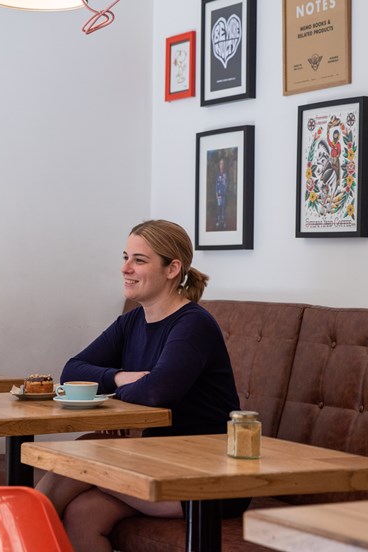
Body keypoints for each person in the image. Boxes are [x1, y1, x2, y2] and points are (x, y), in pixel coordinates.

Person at [37, 219, 247, 552]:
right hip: (156, 460)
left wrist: (117, 389)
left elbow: (155, 392)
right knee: (83, 514)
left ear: (172, 268)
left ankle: (16, 531)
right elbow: (72, 370)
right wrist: (120, 377)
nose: (125, 268)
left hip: (205, 476)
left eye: (139, 260)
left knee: (82, 454)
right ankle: (21, 526)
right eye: (125, 257)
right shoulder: (133, 320)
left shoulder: (193, 324)